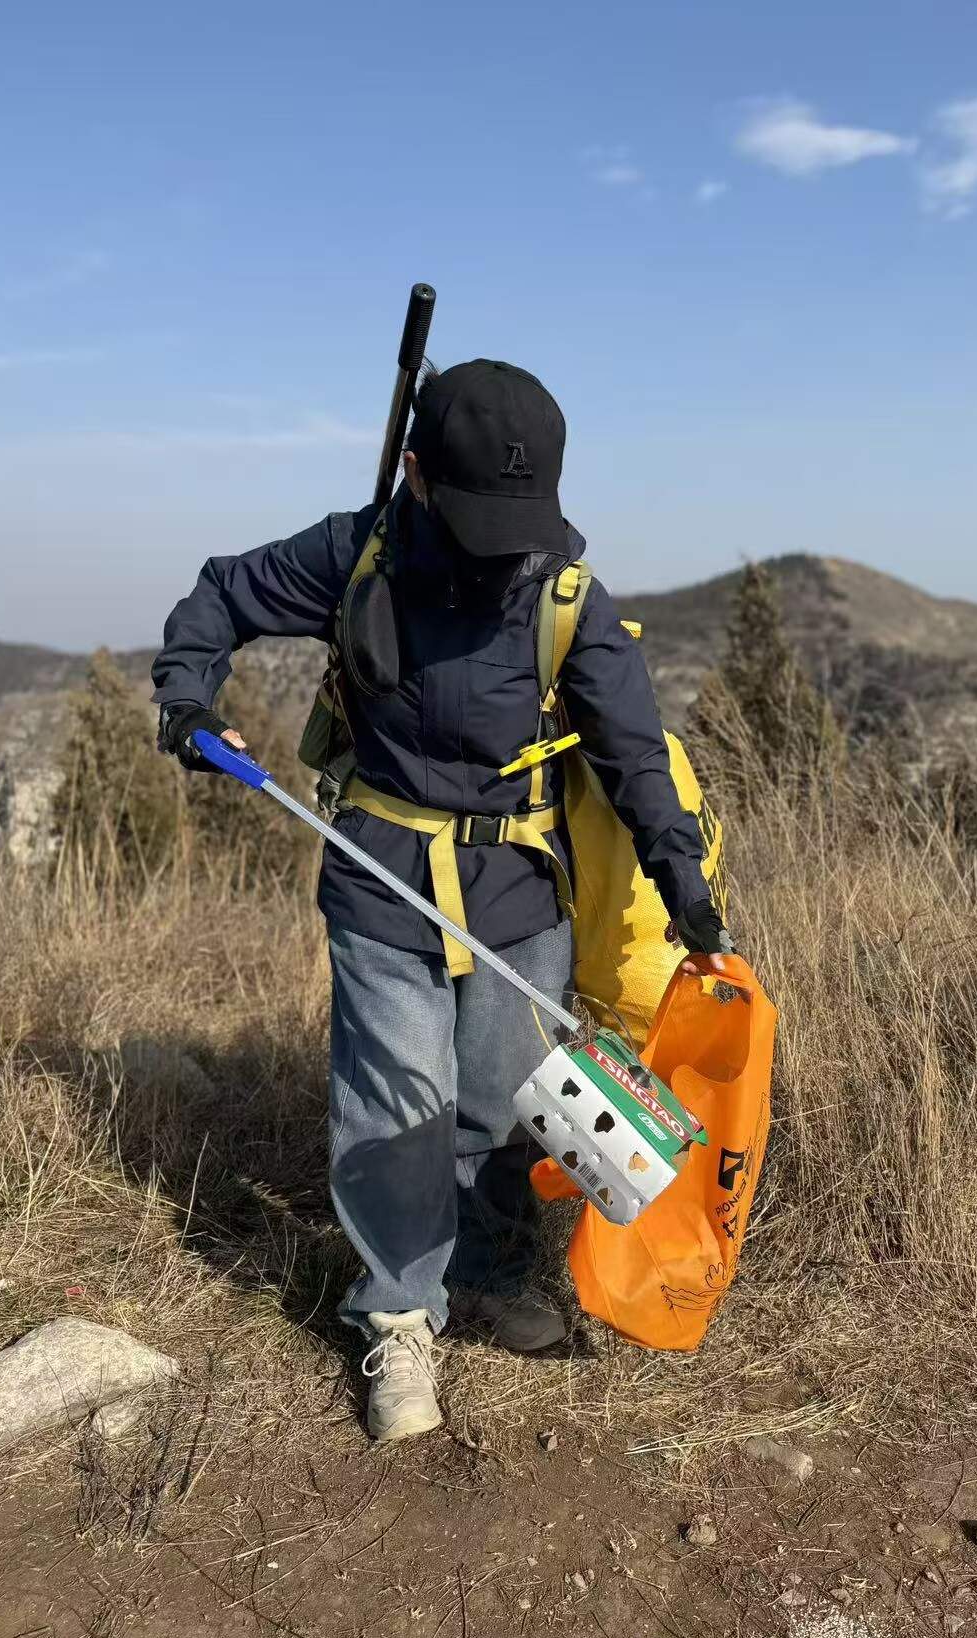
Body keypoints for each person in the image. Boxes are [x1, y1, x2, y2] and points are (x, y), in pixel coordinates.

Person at [152, 358, 732, 1440]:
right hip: (380, 876)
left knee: (504, 1101)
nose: (503, 547)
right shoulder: (357, 551)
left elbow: (633, 754)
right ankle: (399, 1315)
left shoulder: (565, 595)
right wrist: (186, 696)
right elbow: (222, 593)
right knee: (399, 1104)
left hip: (517, 889)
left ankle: (491, 1274)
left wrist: (683, 884)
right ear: (417, 475)